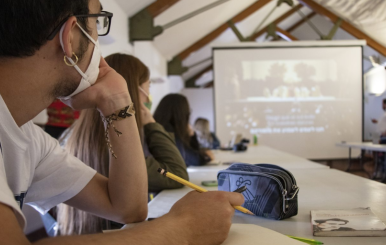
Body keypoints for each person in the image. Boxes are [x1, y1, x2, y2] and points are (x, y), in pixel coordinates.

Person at [0, 1, 244, 244]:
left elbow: (128, 209)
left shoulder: (31, 141)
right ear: (71, 36)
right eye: (97, 23)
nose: (97, 41)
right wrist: (183, 229)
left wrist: (117, 100)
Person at [57, 53, 189, 235]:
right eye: (148, 87)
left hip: (78, 232)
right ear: (134, 90)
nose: (149, 96)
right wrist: (151, 124)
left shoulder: (72, 134)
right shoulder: (115, 145)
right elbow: (176, 174)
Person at [154, 94, 214, 166]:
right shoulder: (169, 131)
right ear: (181, 114)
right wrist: (206, 157)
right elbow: (193, 160)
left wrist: (191, 135)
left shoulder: (159, 128)